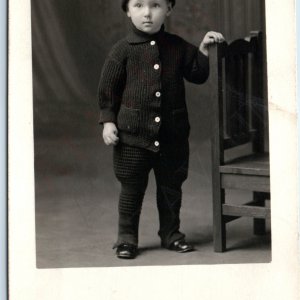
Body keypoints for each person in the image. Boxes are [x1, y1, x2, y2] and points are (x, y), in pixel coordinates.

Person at [98, 0, 224, 259]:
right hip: (133, 138)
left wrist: (202, 49)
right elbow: (108, 91)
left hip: (172, 137)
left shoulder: (177, 47)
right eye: (138, 5)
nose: (147, 13)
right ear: (127, 10)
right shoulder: (122, 51)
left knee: (170, 189)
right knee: (132, 190)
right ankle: (126, 238)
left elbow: (198, 74)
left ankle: (171, 234)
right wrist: (108, 121)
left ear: (168, 8)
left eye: (155, 5)